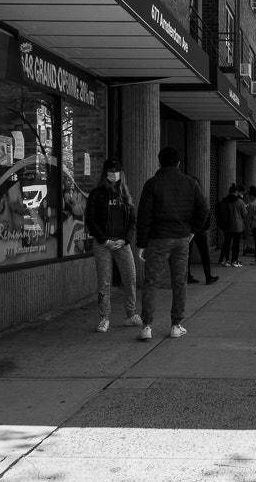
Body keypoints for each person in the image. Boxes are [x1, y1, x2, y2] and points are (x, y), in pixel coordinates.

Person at [135, 146, 208, 341]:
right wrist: (192, 231)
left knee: (151, 282)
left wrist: (141, 243)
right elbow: (203, 209)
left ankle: (147, 326)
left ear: (159, 162)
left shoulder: (152, 184)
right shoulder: (190, 183)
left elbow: (144, 216)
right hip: (181, 238)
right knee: (179, 282)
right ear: (178, 163)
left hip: (158, 239)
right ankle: (176, 325)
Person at [84, 159, 142, 333]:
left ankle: (131, 315)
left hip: (122, 243)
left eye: (116, 171)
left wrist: (125, 240)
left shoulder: (125, 194)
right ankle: (104, 318)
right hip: (103, 244)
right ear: (105, 173)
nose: (113, 174)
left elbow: (132, 221)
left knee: (130, 278)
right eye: (110, 171)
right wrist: (105, 240)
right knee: (104, 281)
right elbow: (91, 220)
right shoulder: (97, 193)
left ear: (121, 173)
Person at [188, 178, 219, 285]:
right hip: (200, 229)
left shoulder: (186, 197)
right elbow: (206, 212)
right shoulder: (201, 197)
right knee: (205, 254)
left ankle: (187, 276)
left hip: (188, 229)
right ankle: (208, 276)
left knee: (187, 254)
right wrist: (206, 227)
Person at [216, 183, 247, 268]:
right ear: (236, 192)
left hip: (227, 225)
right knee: (236, 244)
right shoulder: (240, 201)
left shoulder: (224, 201)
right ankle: (234, 261)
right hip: (237, 226)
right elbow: (244, 214)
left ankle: (227, 260)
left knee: (227, 243)